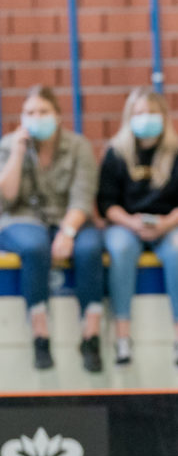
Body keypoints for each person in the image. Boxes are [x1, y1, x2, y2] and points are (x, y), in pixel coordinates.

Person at [0, 85, 105, 372]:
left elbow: (83, 198)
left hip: (68, 217)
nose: (36, 117)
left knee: (90, 248)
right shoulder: (9, 145)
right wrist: (18, 153)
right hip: (21, 220)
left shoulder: (78, 146)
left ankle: (91, 335)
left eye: (43, 111)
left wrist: (68, 232)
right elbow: (5, 198)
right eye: (29, 112)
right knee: (35, 248)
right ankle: (40, 334)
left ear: (58, 116)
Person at [98, 87, 178, 367]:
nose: (146, 118)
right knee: (119, 250)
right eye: (140, 112)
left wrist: (165, 223)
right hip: (126, 224)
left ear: (164, 116)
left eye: (153, 112)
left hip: (168, 225)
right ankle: (122, 337)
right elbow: (106, 203)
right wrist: (131, 222)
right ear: (129, 116)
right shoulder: (115, 153)